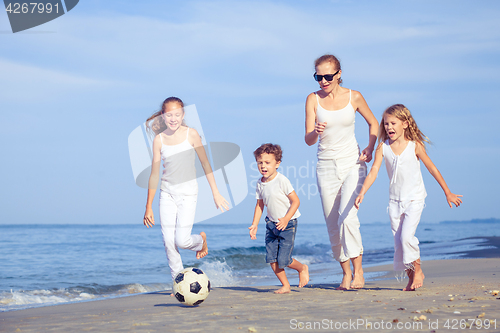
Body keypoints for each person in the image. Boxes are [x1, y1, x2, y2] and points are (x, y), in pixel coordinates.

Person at [355, 104, 463, 291]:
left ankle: (419, 270)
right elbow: (373, 172)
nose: (389, 127)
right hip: (394, 202)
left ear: (405, 124)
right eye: (386, 123)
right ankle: (411, 277)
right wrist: (362, 191)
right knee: (399, 243)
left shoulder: (415, 146)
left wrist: (447, 192)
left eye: (393, 123)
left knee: (406, 237)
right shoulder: (383, 148)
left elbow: (432, 169)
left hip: (414, 199)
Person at [305, 54, 379, 290]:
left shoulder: (353, 97)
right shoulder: (312, 99)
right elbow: (308, 139)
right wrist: (315, 131)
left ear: (338, 74)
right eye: (318, 77)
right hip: (325, 166)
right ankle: (345, 273)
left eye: (327, 76)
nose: (323, 81)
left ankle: (359, 272)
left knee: (347, 217)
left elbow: (374, 123)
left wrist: (370, 147)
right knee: (332, 224)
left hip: (352, 163)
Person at [143, 97, 229, 292]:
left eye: (177, 115)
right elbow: (154, 174)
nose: (173, 119)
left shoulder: (192, 134)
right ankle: (178, 284)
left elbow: (206, 164)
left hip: (188, 194)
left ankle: (200, 241)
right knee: (168, 241)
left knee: (181, 240)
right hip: (167, 194)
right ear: (163, 116)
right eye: (169, 115)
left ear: (183, 115)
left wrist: (216, 193)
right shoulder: (159, 140)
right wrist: (148, 206)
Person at [248, 143, 309, 294]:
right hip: (271, 225)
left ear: (277, 163)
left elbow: (296, 201)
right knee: (272, 260)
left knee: (284, 260)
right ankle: (286, 285)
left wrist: (286, 219)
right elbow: (260, 205)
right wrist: (255, 224)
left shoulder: (282, 180)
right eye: (260, 162)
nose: (263, 166)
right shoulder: (259, 183)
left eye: (267, 163)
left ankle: (302, 268)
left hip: (288, 224)